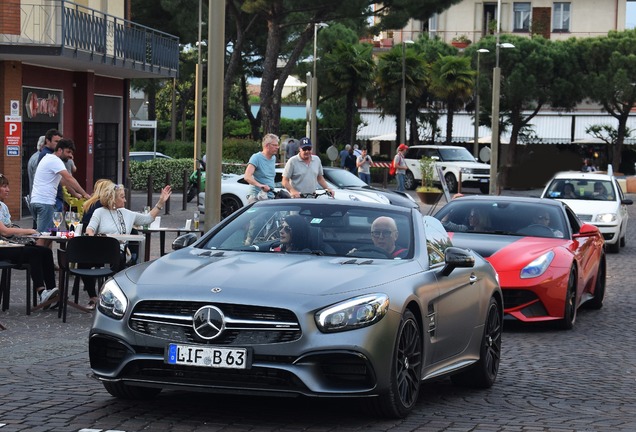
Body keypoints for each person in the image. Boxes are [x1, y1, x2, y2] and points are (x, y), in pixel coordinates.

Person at [0, 173, 59, 307]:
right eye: (4, 186)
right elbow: (4, 231)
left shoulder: (3, 206)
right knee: (34, 253)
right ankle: (41, 292)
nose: (8, 190)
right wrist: (29, 231)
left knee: (45, 251)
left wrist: (23, 234)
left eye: (8, 186)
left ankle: (52, 293)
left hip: (10, 244)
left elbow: (9, 228)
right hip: (2, 248)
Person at [30, 138, 91, 247]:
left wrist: (76, 194)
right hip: (45, 203)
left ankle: (46, 262)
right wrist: (85, 194)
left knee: (51, 234)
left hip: (38, 201)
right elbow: (69, 178)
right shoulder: (55, 160)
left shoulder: (49, 159)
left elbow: (63, 181)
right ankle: (37, 263)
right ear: (59, 150)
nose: (70, 155)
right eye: (68, 152)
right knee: (43, 237)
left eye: (71, 153)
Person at [244, 133, 279, 203]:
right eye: (274, 145)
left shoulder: (273, 158)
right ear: (267, 146)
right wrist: (260, 185)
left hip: (270, 196)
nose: (277, 147)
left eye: (277, 145)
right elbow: (247, 177)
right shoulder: (256, 157)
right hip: (256, 196)